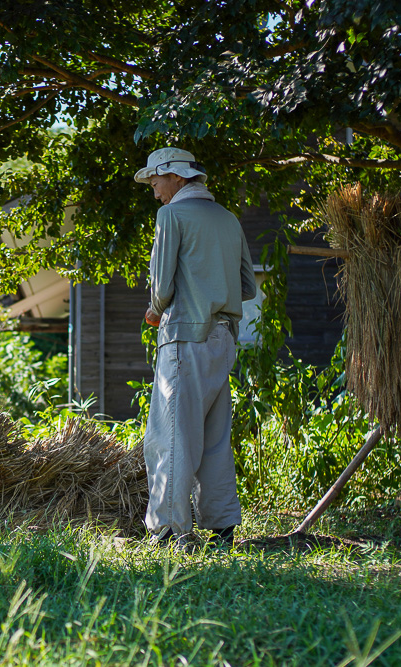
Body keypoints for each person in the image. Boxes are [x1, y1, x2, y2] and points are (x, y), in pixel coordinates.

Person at [134, 147, 257, 549]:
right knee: (215, 436)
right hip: (224, 337)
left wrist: (154, 311)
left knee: (170, 435)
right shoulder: (228, 219)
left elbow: (163, 287)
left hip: (185, 337)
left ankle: (169, 530)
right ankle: (222, 527)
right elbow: (248, 287)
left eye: (156, 183)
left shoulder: (170, 216)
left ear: (177, 176)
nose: (155, 193)